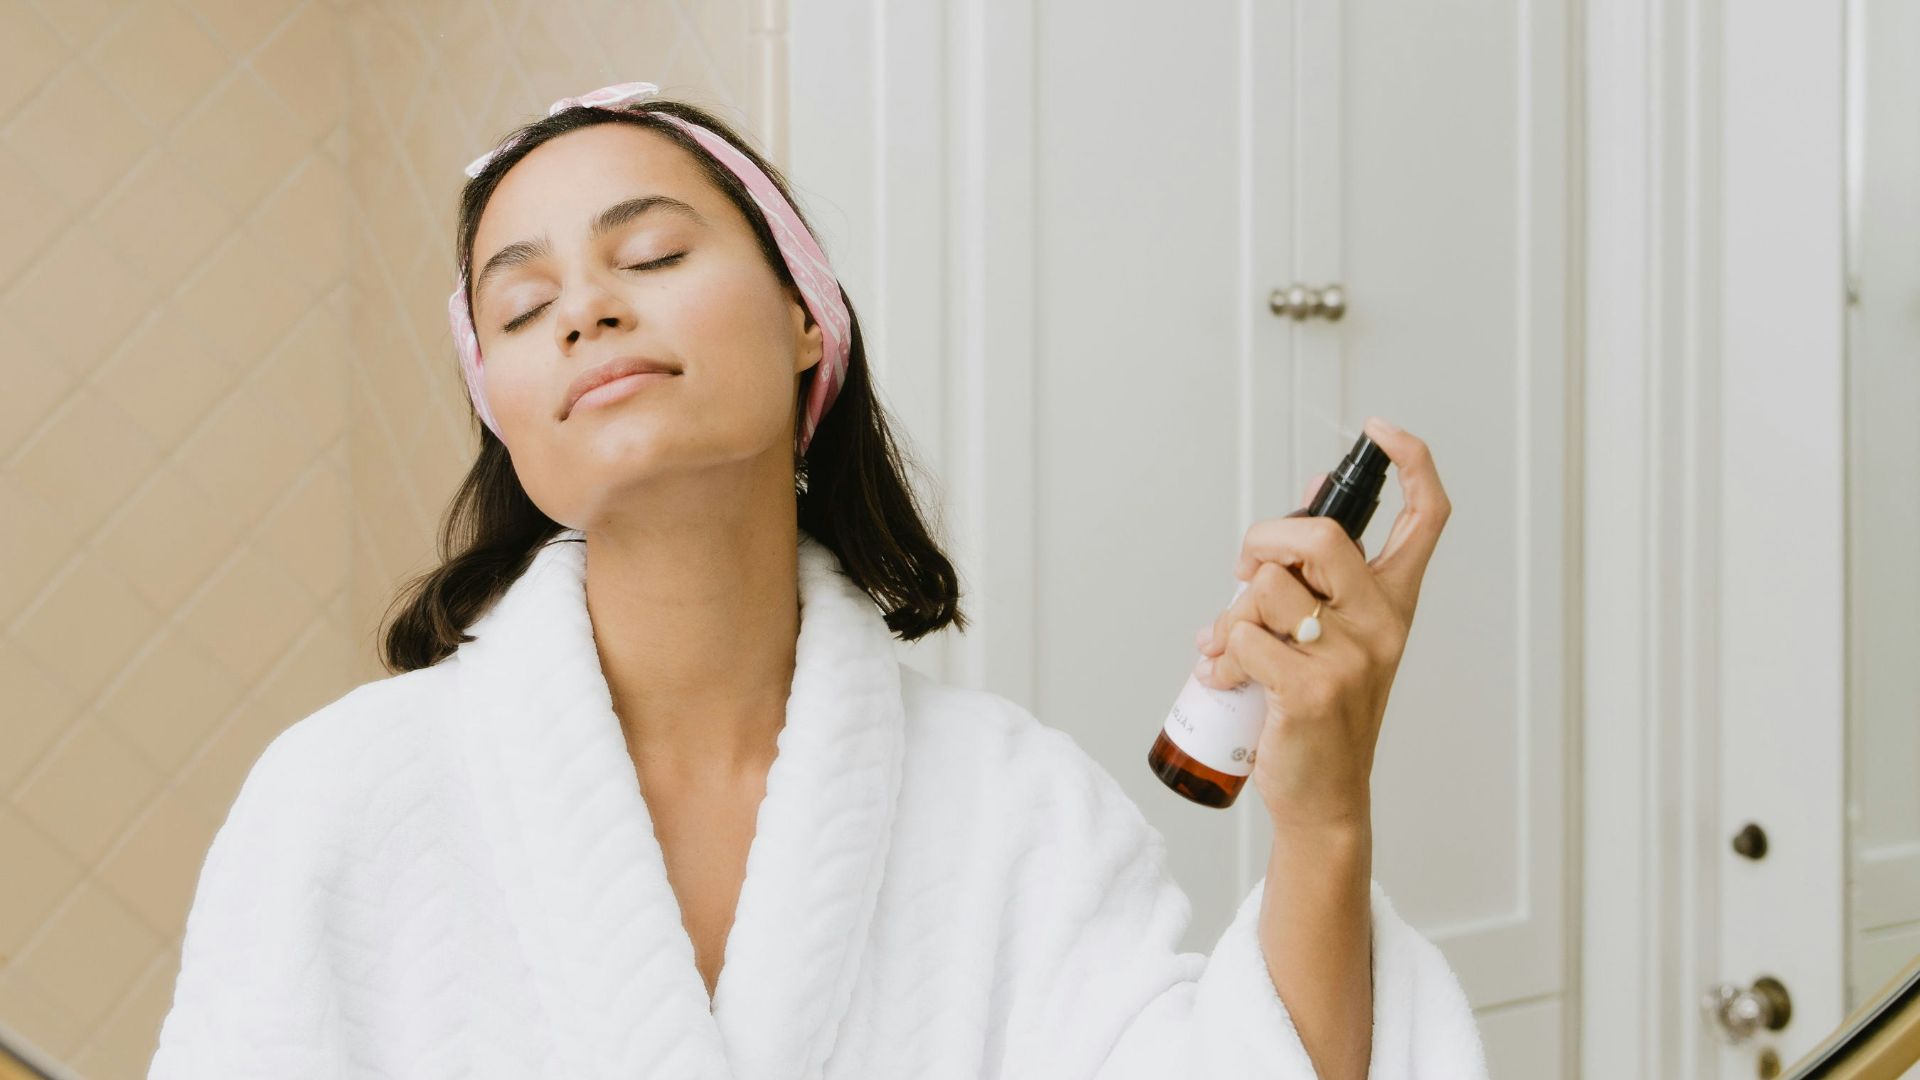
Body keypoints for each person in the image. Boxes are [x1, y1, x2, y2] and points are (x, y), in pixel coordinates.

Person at [148, 83, 1488, 1080]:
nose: (585, 309)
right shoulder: (339, 802)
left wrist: (1321, 819)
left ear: (806, 316)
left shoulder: (1016, 813)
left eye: (654, 255)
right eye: (518, 305)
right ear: (503, 408)